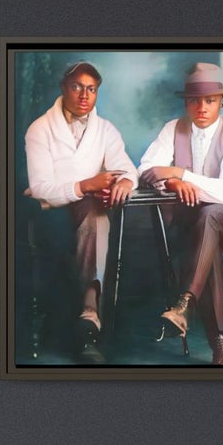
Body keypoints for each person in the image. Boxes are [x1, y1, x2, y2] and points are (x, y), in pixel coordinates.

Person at [137, 61, 223, 366]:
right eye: (194, 100)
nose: (201, 107)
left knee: (212, 217)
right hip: (197, 220)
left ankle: (185, 303)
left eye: (210, 100)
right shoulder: (172, 129)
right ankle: (220, 340)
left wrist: (181, 173)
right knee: (207, 227)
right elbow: (145, 170)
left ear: (221, 101)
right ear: (186, 101)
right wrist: (173, 181)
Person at [23, 60, 137, 363]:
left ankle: (89, 314)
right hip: (51, 216)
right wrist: (87, 184)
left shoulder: (105, 130)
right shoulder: (40, 129)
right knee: (93, 210)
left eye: (92, 89)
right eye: (77, 87)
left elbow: (126, 167)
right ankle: (88, 316)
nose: (85, 95)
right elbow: (41, 187)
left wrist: (125, 179)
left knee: (97, 213)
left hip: (88, 212)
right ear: (64, 88)